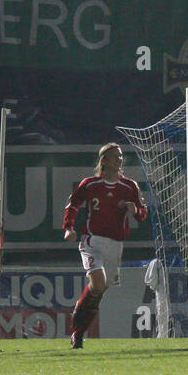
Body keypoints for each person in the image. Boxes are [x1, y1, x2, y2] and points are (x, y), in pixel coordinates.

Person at [62, 143, 147, 349]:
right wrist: (68, 228)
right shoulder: (90, 184)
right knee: (98, 285)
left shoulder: (129, 186)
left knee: (97, 293)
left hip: (115, 245)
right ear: (104, 161)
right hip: (92, 241)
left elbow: (142, 214)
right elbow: (73, 205)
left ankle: (78, 333)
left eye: (120, 156)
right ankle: (78, 330)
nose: (119, 159)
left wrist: (134, 209)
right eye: (114, 156)